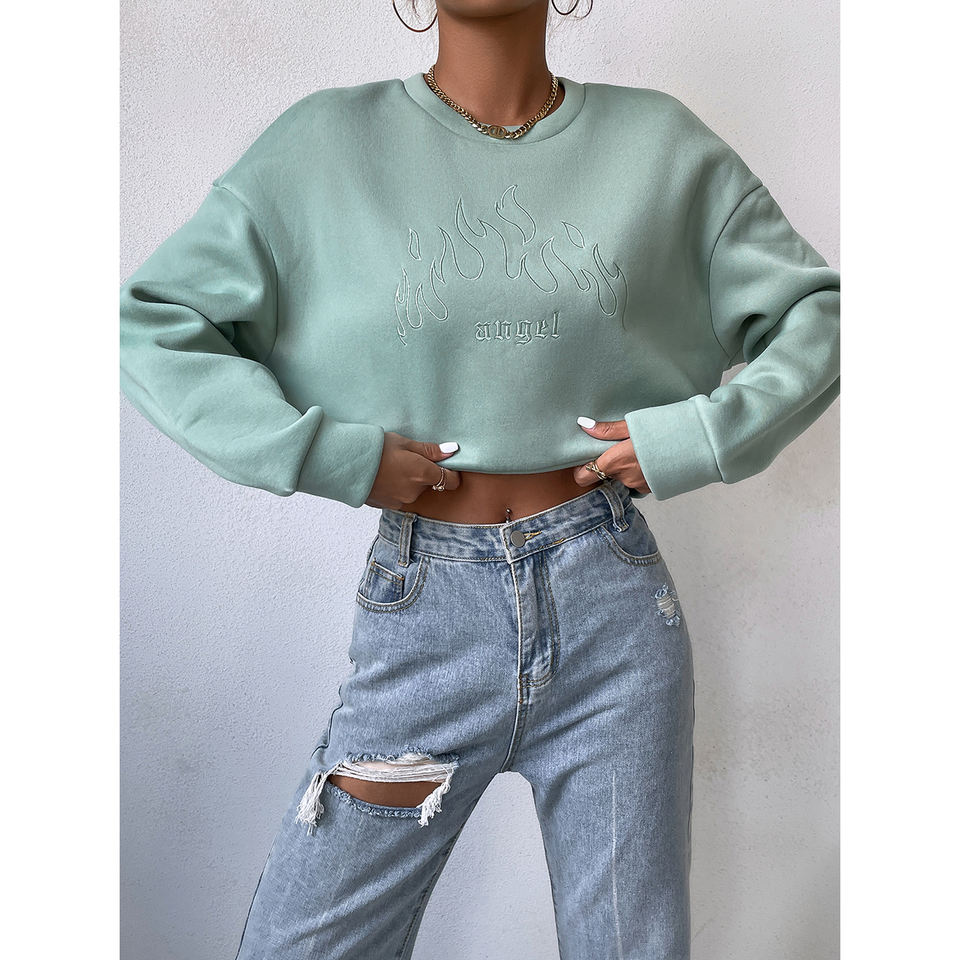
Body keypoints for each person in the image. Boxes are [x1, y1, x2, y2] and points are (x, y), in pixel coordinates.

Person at [118, 1, 840, 957]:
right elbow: (157, 324)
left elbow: (817, 317)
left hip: (614, 611)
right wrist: (330, 455)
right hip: (428, 610)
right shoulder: (325, 146)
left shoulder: (662, 147)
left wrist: (693, 437)